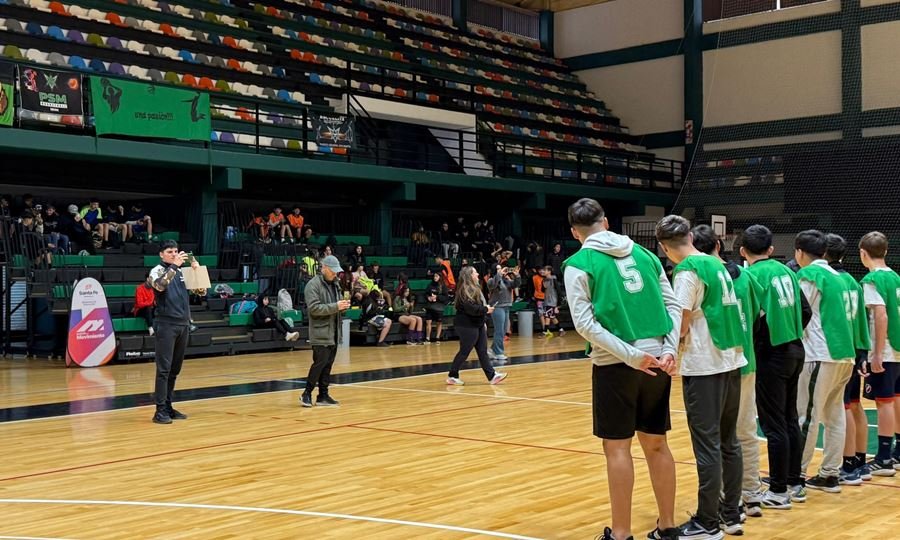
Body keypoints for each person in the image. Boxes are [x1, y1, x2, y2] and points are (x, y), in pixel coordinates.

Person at [564, 199, 680, 540]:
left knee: (617, 448)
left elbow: (585, 325)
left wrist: (630, 355)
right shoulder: (646, 255)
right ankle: (668, 527)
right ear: (606, 221)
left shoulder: (578, 263)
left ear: (575, 232)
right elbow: (672, 303)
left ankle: (621, 533)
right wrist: (670, 348)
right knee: (657, 445)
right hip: (659, 359)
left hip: (617, 364)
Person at [656, 214, 745, 539]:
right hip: (731, 359)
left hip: (705, 364)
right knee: (729, 442)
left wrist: (669, 347)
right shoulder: (717, 264)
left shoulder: (687, 271)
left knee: (707, 447)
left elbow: (680, 321)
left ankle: (708, 522)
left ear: (665, 247)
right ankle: (731, 514)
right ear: (690, 237)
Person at [693, 225, 765, 518]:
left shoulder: (701, 275)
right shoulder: (745, 276)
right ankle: (751, 493)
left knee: (719, 436)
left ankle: (728, 500)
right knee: (744, 431)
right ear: (719, 245)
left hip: (717, 364)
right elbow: (760, 314)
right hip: (745, 358)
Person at [740, 225, 810, 509]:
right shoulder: (788, 272)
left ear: (743, 251)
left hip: (771, 354)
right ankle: (794, 481)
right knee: (790, 418)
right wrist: (791, 331)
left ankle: (779, 490)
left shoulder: (750, 276)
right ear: (770, 249)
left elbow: (752, 319)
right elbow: (806, 311)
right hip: (796, 348)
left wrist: (761, 345)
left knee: (773, 424)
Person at [794, 229, 868, 493]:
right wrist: (863, 352)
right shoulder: (844, 279)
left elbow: (799, 314)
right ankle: (829, 474)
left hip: (819, 354)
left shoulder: (811, 275)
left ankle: (796, 477)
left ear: (800, 252)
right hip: (845, 354)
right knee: (835, 414)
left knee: (807, 416)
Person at [824, 234, 871, 486]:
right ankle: (860, 462)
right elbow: (862, 320)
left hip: (839, 350)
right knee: (855, 405)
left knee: (843, 409)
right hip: (854, 349)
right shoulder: (852, 281)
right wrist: (864, 350)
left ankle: (849, 463)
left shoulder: (829, 280)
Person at [148, 240, 205, 424]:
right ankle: (159, 410)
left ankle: (168, 406)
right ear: (161, 254)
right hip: (166, 324)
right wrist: (174, 266)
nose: (174, 254)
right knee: (163, 369)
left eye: (175, 251)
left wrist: (196, 272)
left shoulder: (181, 271)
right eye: (170, 251)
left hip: (183, 324)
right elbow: (159, 286)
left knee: (174, 369)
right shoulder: (156, 270)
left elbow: (201, 291)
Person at [858, 231, 900, 476]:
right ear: (884, 251)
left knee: (884, 401)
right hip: (898, 347)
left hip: (884, 349)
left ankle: (884, 457)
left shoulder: (872, 281)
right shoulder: (896, 277)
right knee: (896, 399)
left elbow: (881, 315)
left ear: (863, 254)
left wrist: (875, 354)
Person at [301, 255, 351, 407]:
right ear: (324, 268)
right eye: (333, 271)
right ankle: (306, 394)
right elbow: (314, 309)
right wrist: (336, 306)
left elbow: (336, 306)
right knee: (319, 364)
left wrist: (342, 307)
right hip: (320, 333)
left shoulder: (335, 284)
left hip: (334, 332)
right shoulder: (312, 285)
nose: (336, 274)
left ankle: (323, 395)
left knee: (328, 365)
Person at [446, 266, 507, 386]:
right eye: (475, 272)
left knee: (482, 351)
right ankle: (452, 376)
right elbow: (471, 309)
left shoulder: (475, 288)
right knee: (465, 351)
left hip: (477, 324)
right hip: (466, 325)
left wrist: (483, 320)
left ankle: (492, 376)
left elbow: (477, 309)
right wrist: (486, 309)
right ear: (469, 275)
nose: (478, 274)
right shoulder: (464, 290)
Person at [488, 264, 520, 361]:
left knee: (503, 330)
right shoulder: (491, 280)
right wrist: (499, 275)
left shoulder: (506, 280)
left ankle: (493, 349)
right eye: (498, 269)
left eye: (501, 268)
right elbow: (493, 284)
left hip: (506, 306)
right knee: (499, 330)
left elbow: (515, 284)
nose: (500, 270)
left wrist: (517, 275)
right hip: (497, 307)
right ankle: (498, 352)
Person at [541, 265, 564, 338]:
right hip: (547, 300)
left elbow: (559, 291)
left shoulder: (554, 279)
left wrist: (558, 305)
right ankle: (561, 330)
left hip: (552, 301)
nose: (543, 271)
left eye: (545, 270)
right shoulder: (544, 280)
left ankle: (545, 332)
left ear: (549, 272)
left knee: (547, 316)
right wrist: (543, 287)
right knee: (552, 317)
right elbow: (542, 290)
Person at [425, 273, 448, 343]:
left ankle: (437, 338)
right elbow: (425, 293)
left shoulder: (443, 286)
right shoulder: (430, 285)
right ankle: (427, 338)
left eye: (436, 276)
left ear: (440, 277)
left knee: (439, 322)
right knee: (428, 321)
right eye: (434, 276)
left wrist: (437, 297)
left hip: (439, 307)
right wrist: (428, 297)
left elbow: (445, 297)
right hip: (430, 306)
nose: (435, 277)